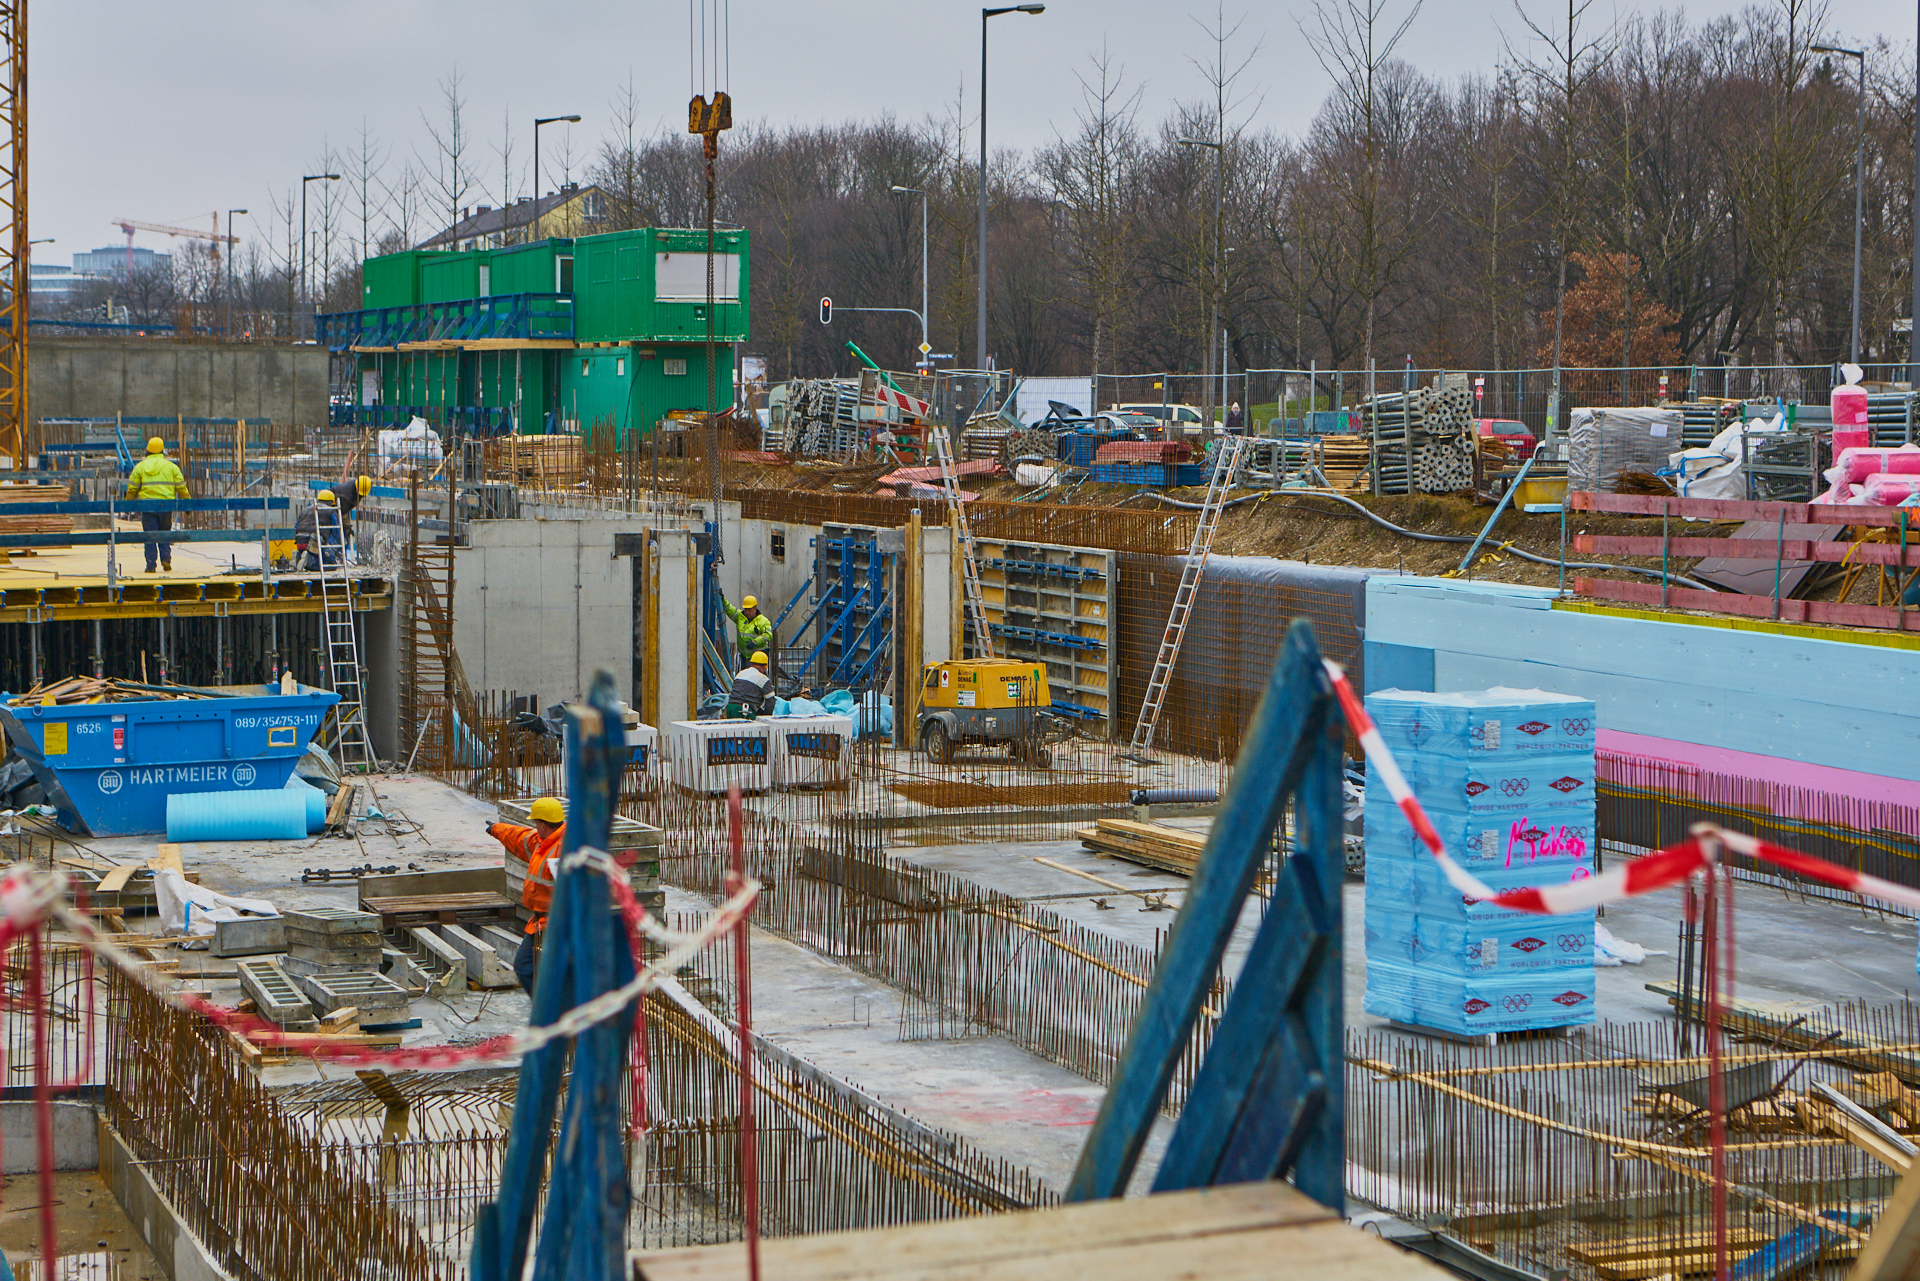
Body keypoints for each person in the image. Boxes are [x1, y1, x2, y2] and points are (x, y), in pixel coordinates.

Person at [486, 796, 565, 991]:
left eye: (536, 822)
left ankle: (552, 1010)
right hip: (541, 923)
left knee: (528, 967)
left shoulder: (565, 850)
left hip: (557, 924)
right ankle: (550, 1009)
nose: (535, 826)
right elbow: (518, 836)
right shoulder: (542, 842)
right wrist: (495, 829)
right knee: (527, 968)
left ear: (543, 825)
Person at [125, 437, 188, 574]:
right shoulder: (171, 467)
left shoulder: (140, 467)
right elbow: (181, 487)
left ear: (148, 449)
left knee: (150, 536)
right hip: (166, 506)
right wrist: (187, 503)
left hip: (147, 507)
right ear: (162, 450)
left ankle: (150, 565)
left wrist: (127, 504)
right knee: (165, 533)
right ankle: (166, 559)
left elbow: (132, 488)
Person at [293, 475, 372, 571]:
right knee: (330, 563)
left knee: (317, 553)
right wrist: (340, 543)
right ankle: (309, 560)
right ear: (332, 502)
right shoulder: (332, 510)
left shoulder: (305, 510)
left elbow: (296, 527)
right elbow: (337, 532)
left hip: (300, 543)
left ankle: (299, 557)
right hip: (314, 543)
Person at [721, 592, 774, 665]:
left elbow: (768, 635)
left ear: (755, 609)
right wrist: (723, 600)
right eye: (746, 609)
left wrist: (755, 642)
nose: (747, 612)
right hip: (743, 657)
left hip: (758, 659)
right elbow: (729, 609)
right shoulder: (740, 617)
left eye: (749, 610)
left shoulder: (763, 621)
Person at [729, 651, 775, 717]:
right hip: (744, 711)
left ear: (751, 664)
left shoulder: (740, 674)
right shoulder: (763, 679)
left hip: (730, 708)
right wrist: (764, 717)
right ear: (764, 666)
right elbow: (770, 702)